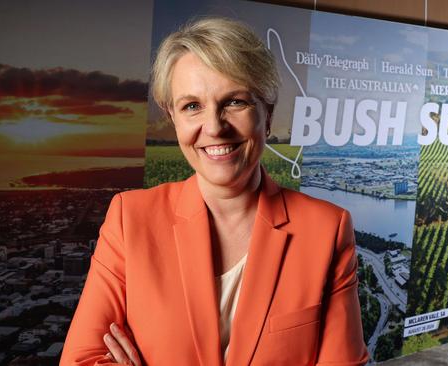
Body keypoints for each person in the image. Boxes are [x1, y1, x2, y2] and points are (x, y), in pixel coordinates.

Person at [60, 17, 369, 366]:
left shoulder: (326, 229)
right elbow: (80, 361)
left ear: (267, 114)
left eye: (235, 102)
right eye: (192, 106)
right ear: (173, 117)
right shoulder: (129, 218)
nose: (214, 127)